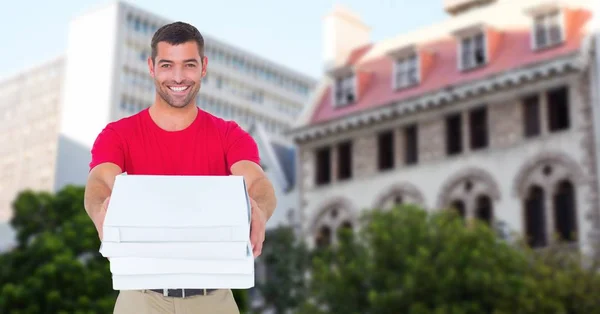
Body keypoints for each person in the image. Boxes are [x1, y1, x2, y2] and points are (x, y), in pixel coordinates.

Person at [83, 21, 277, 314]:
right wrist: (100, 210)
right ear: (151, 67)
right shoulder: (118, 135)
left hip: (214, 299)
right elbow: (100, 181)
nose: (178, 77)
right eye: (166, 65)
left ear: (203, 67)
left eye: (188, 64)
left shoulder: (229, 135)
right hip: (141, 298)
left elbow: (257, 183)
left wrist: (259, 209)